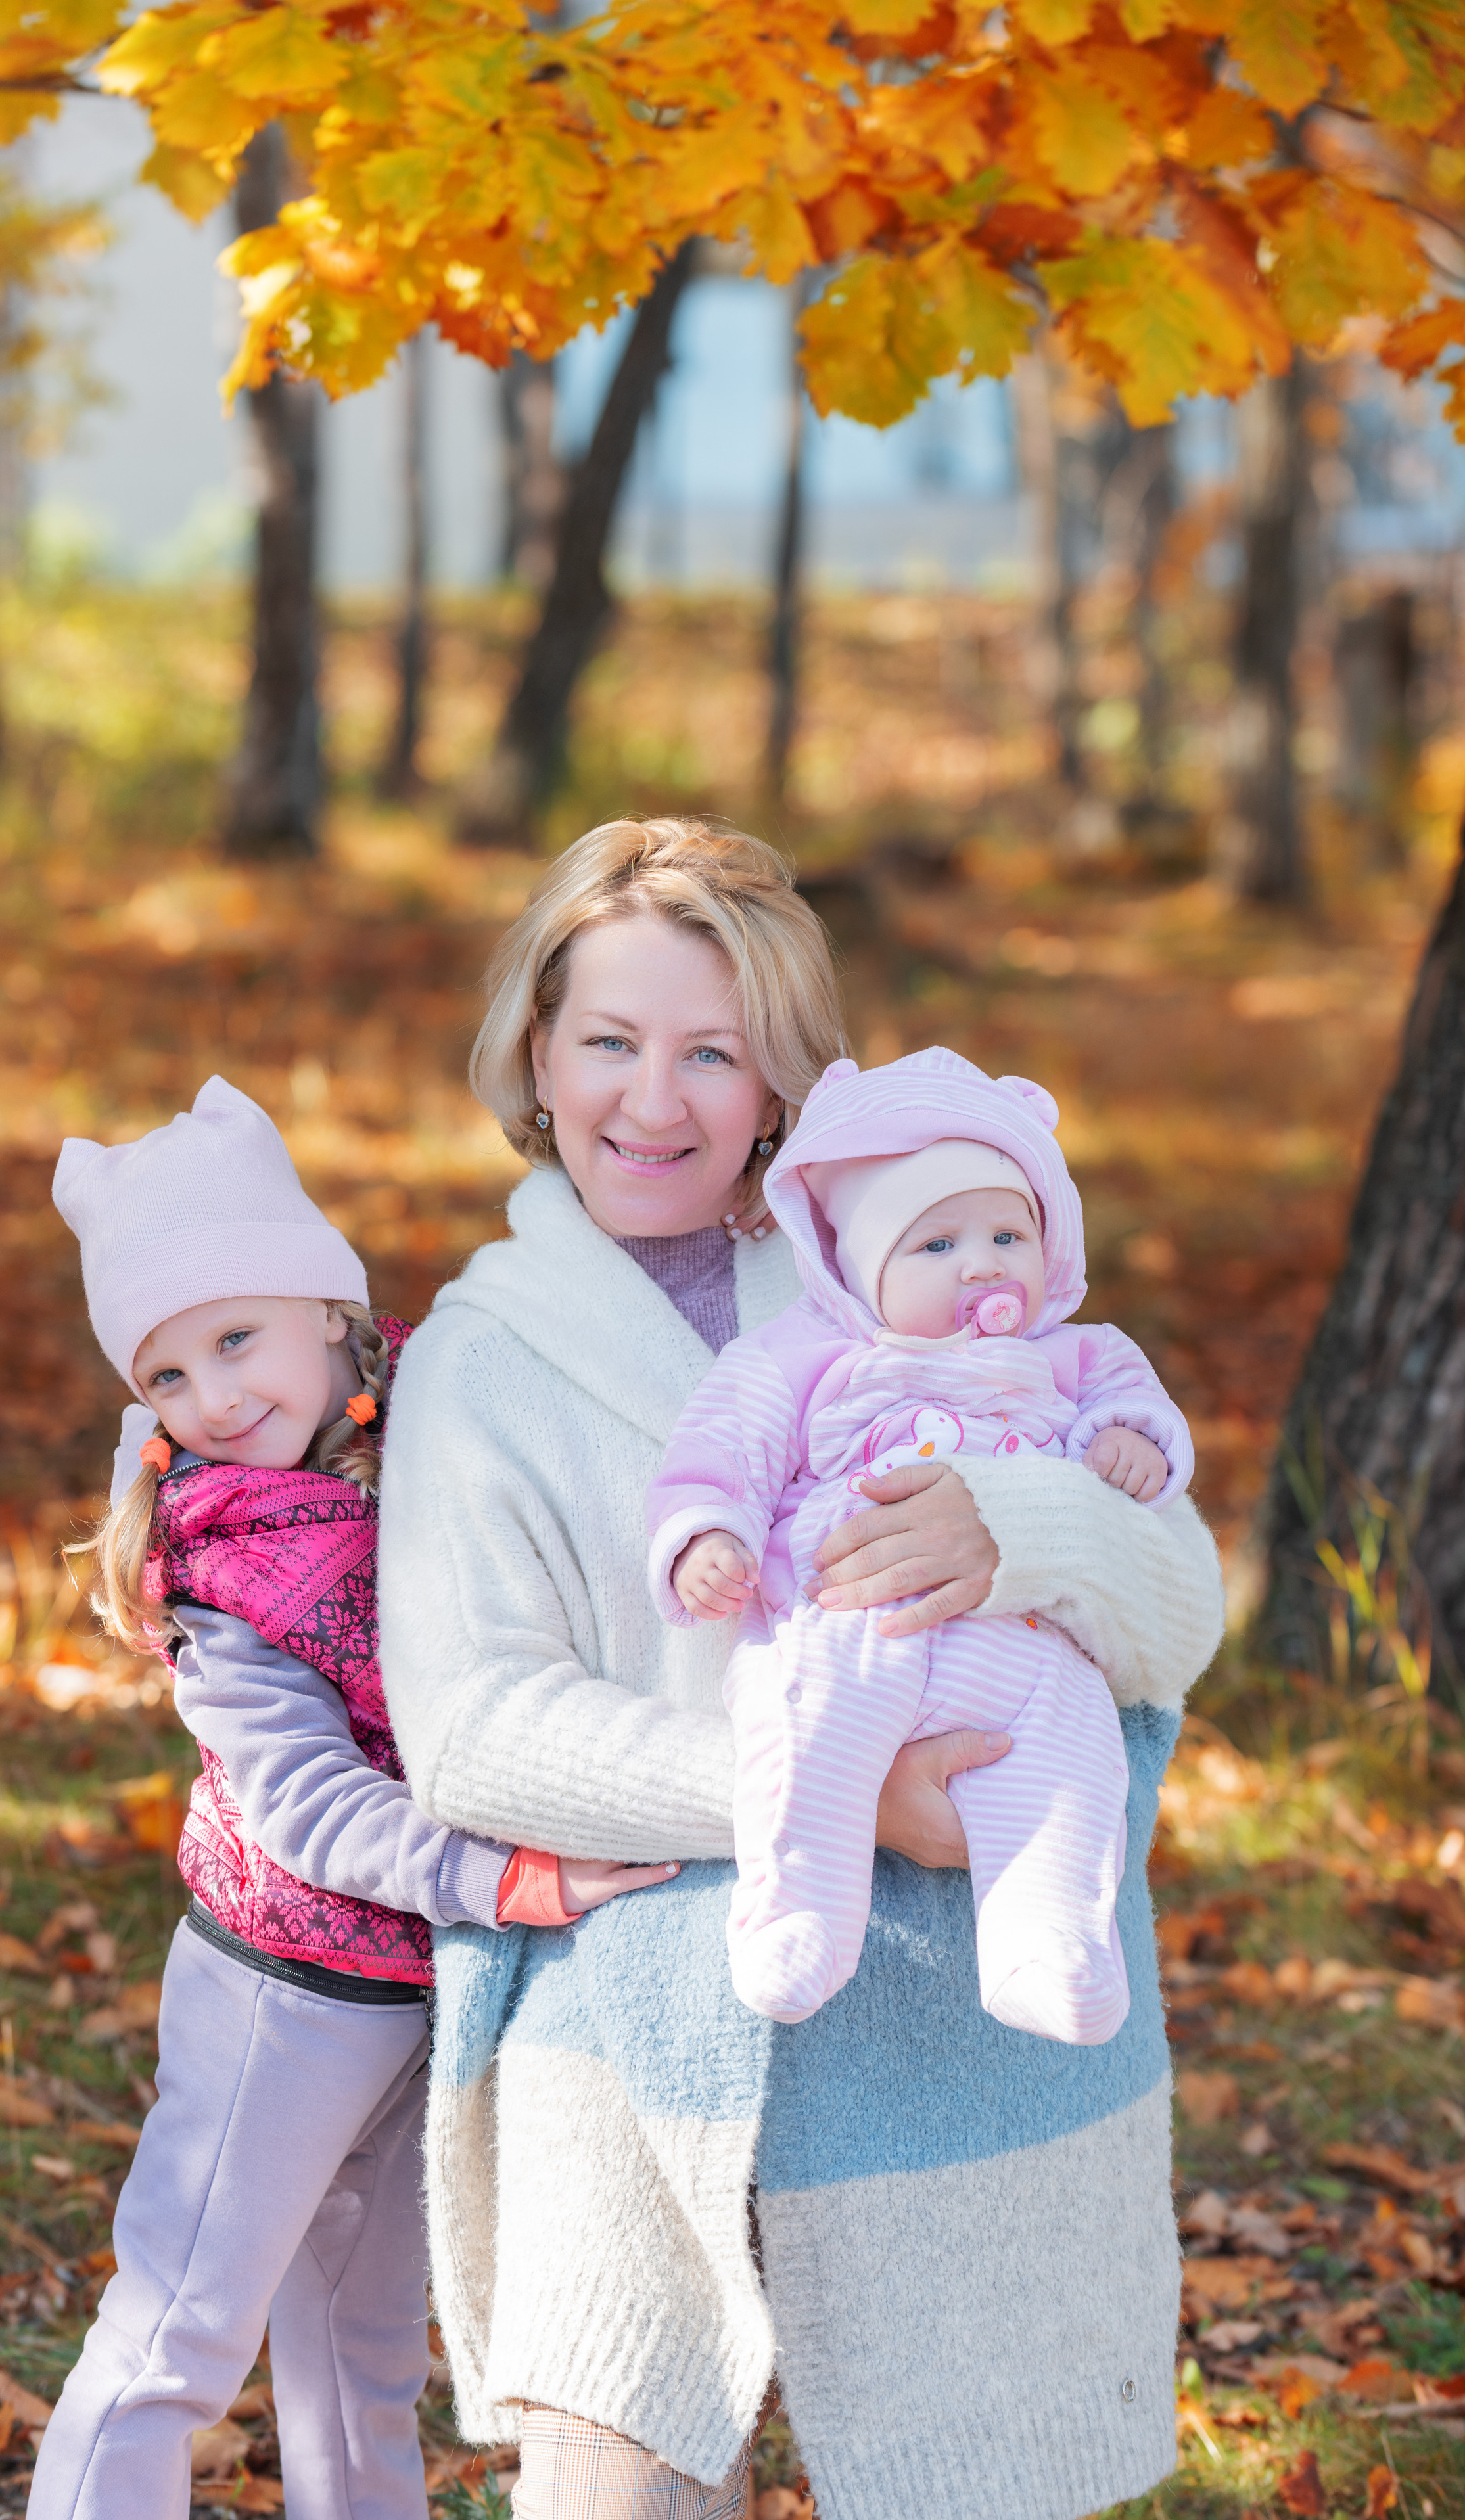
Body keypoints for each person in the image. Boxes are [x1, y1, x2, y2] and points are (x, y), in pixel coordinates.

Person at [377, 816, 1225, 2520]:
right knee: (623, 2485)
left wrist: (1028, 1533)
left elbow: (1183, 1601)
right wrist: (816, 1789)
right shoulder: (484, 1358)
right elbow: (470, 1729)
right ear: (534, 1058)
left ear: (783, 1085)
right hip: (638, 2020)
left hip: (946, 2021)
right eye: (608, 1040)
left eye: (714, 1050)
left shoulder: (927, 1265)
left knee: (975, 2479)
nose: (655, 1098)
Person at [33, 1076, 673, 2520]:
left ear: (331, 1310)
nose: (216, 1399)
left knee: (362, 2352)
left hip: (420, 1991)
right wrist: (507, 1875)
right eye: (170, 1376)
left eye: (237, 1337)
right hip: (285, 1998)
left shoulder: (430, 1418)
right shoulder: (219, 1573)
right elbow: (309, 1808)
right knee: (181, 2332)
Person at [648, 1044, 1194, 2038]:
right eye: (936, 1247)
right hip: (856, 1618)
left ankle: (1051, 1946)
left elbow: (1138, 1409)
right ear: (860, 1271)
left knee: (1075, 1752)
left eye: (1007, 1233)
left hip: (1023, 1641)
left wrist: (1131, 1443)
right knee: (807, 1727)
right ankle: (799, 1914)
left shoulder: (1073, 1354)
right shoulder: (809, 1356)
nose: (982, 1264)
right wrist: (705, 1534)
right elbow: (723, 1445)